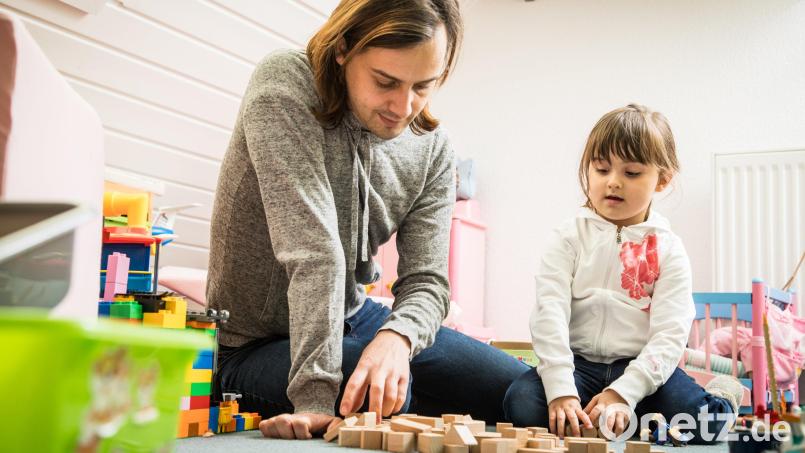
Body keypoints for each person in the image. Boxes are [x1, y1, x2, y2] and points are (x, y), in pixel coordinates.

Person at [206, 0, 528, 440]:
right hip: (251, 346)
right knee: (377, 381)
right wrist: (316, 398)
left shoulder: (433, 148)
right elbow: (315, 254)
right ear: (343, 48)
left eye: (423, 86)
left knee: (527, 394)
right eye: (386, 81)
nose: (404, 105)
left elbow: (428, 283)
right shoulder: (284, 86)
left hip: (357, 318)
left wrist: (397, 339)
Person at [503, 104, 744, 443]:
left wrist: (624, 392)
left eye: (631, 174)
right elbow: (549, 314)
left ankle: (721, 396)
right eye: (601, 169)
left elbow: (670, 335)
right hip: (579, 365)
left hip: (641, 368)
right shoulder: (568, 237)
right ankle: (616, 415)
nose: (613, 182)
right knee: (522, 404)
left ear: (662, 179)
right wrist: (561, 390)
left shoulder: (668, 249)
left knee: (707, 423)